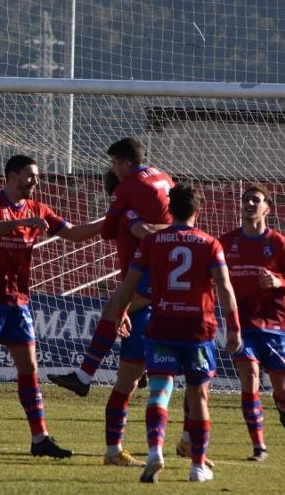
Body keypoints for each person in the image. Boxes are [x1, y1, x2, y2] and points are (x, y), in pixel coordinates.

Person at [0, 154, 105, 461]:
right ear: (11, 176)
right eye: (30, 175)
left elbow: (74, 233)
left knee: (29, 369)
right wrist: (21, 222)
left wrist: (113, 219)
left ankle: (39, 438)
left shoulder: (38, 208)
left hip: (17, 300)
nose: (35, 181)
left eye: (36, 176)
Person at [48, 137, 174, 468]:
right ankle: (113, 451)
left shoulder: (128, 190)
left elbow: (103, 232)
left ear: (123, 164)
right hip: (158, 283)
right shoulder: (163, 179)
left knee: (113, 309)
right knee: (127, 382)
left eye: (114, 164)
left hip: (151, 277)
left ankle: (85, 375)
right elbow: (82, 232)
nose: (113, 170)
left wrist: (126, 221)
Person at [107, 184, 242, 484]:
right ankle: (197, 466)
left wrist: (121, 312)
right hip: (197, 329)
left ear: (170, 210)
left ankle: (155, 450)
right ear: (198, 210)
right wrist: (234, 327)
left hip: (162, 326)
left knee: (159, 392)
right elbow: (224, 287)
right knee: (198, 396)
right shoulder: (210, 243)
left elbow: (129, 282)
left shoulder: (153, 241)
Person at [218, 185, 285, 462]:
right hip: (241, 326)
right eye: (245, 199)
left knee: (281, 387)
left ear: (267, 208)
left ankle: (283, 405)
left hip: (273, 327)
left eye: (256, 200)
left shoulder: (279, 243)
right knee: (250, 379)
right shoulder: (225, 242)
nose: (249, 203)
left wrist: (279, 282)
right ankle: (259, 446)